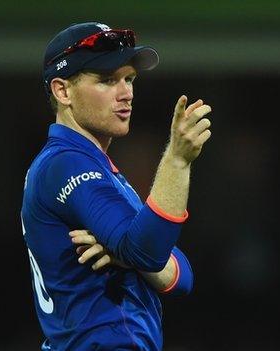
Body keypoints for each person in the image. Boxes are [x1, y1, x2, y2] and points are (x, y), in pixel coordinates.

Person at [21, 22, 212, 350]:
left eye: (129, 79)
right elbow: (151, 252)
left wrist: (128, 254)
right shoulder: (66, 163)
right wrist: (177, 161)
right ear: (62, 91)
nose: (126, 93)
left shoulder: (94, 166)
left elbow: (183, 277)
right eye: (107, 80)